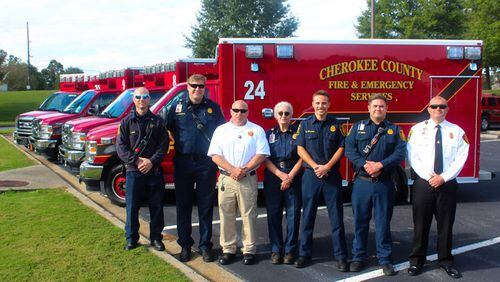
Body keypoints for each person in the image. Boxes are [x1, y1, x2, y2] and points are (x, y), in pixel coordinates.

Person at [406, 96, 469, 278]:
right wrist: (429, 177)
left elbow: (461, 157)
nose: (438, 109)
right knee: (420, 224)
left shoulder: (457, 131)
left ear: (447, 109)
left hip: (447, 184)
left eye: (442, 106)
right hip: (423, 184)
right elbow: (412, 156)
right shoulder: (416, 130)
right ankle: (416, 261)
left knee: (446, 225)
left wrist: (444, 177)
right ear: (428, 109)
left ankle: (446, 261)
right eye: (434, 106)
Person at [166, 74, 225, 262]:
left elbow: (221, 133)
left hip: (206, 164)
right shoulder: (176, 108)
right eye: (193, 86)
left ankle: (205, 246)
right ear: (188, 87)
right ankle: (185, 245)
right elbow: (169, 128)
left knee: (205, 206)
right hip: (183, 162)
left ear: (205, 88)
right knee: (183, 205)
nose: (197, 89)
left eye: (201, 86)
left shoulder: (213, 109)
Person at [345, 93, 405, 276]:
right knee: (360, 222)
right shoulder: (357, 127)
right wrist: (365, 164)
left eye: (381, 106)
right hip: (362, 183)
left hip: (383, 183)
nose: (378, 109)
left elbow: (400, 153)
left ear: (387, 109)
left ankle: (385, 259)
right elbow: (350, 150)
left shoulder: (395, 130)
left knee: (383, 222)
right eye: (375, 106)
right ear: (368, 108)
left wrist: (380, 165)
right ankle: (358, 257)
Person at [207, 100, 270, 265]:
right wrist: (232, 169)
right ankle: (228, 249)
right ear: (231, 111)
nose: (239, 113)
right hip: (226, 178)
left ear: (248, 112)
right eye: (236, 110)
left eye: (243, 111)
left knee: (249, 215)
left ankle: (249, 250)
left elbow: (262, 154)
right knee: (226, 214)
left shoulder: (256, 130)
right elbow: (215, 155)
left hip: (247, 178)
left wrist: (244, 169)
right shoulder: (221, 130)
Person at [294, 90, 348, 271]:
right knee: (308, 216)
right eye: (317, 103)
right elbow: (300, 149)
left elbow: (342, 147)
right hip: (311, 176)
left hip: (331, 176)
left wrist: (327, 167)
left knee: (337, 219)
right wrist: (316, 166)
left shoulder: (335, 124)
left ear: (329, 105)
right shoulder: (306, 124)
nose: (320, 106)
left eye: (324, 103)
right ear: (313, 104)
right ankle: (304, 254)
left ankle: (341, 257)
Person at [117, 87, 169, 251]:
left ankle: (156, 238)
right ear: (134, 99)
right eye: (138, 97)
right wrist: (138, 161)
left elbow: (163, 146)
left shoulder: (159, 122)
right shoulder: (126, 122)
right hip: (133, 171)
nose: (141, 100)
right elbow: (121, 147)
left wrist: (151, 162)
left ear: (149, 99)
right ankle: (132, 239)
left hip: (153, 171)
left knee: (157, 207)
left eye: (145, 97)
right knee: (132, 207)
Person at [263, 101, 303, 265]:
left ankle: (290, 250)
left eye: (287, 113)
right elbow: (264, 157)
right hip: (274, 176)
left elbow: (302, 156)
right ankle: (275, 249)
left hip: (293, 177)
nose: (284, 116)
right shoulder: (268, 134)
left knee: (293, 216)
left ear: (291, 115)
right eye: (280, 113)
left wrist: (290, 176)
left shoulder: (298, 133)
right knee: (274, 214)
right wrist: (281, 175)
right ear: (275, 115)